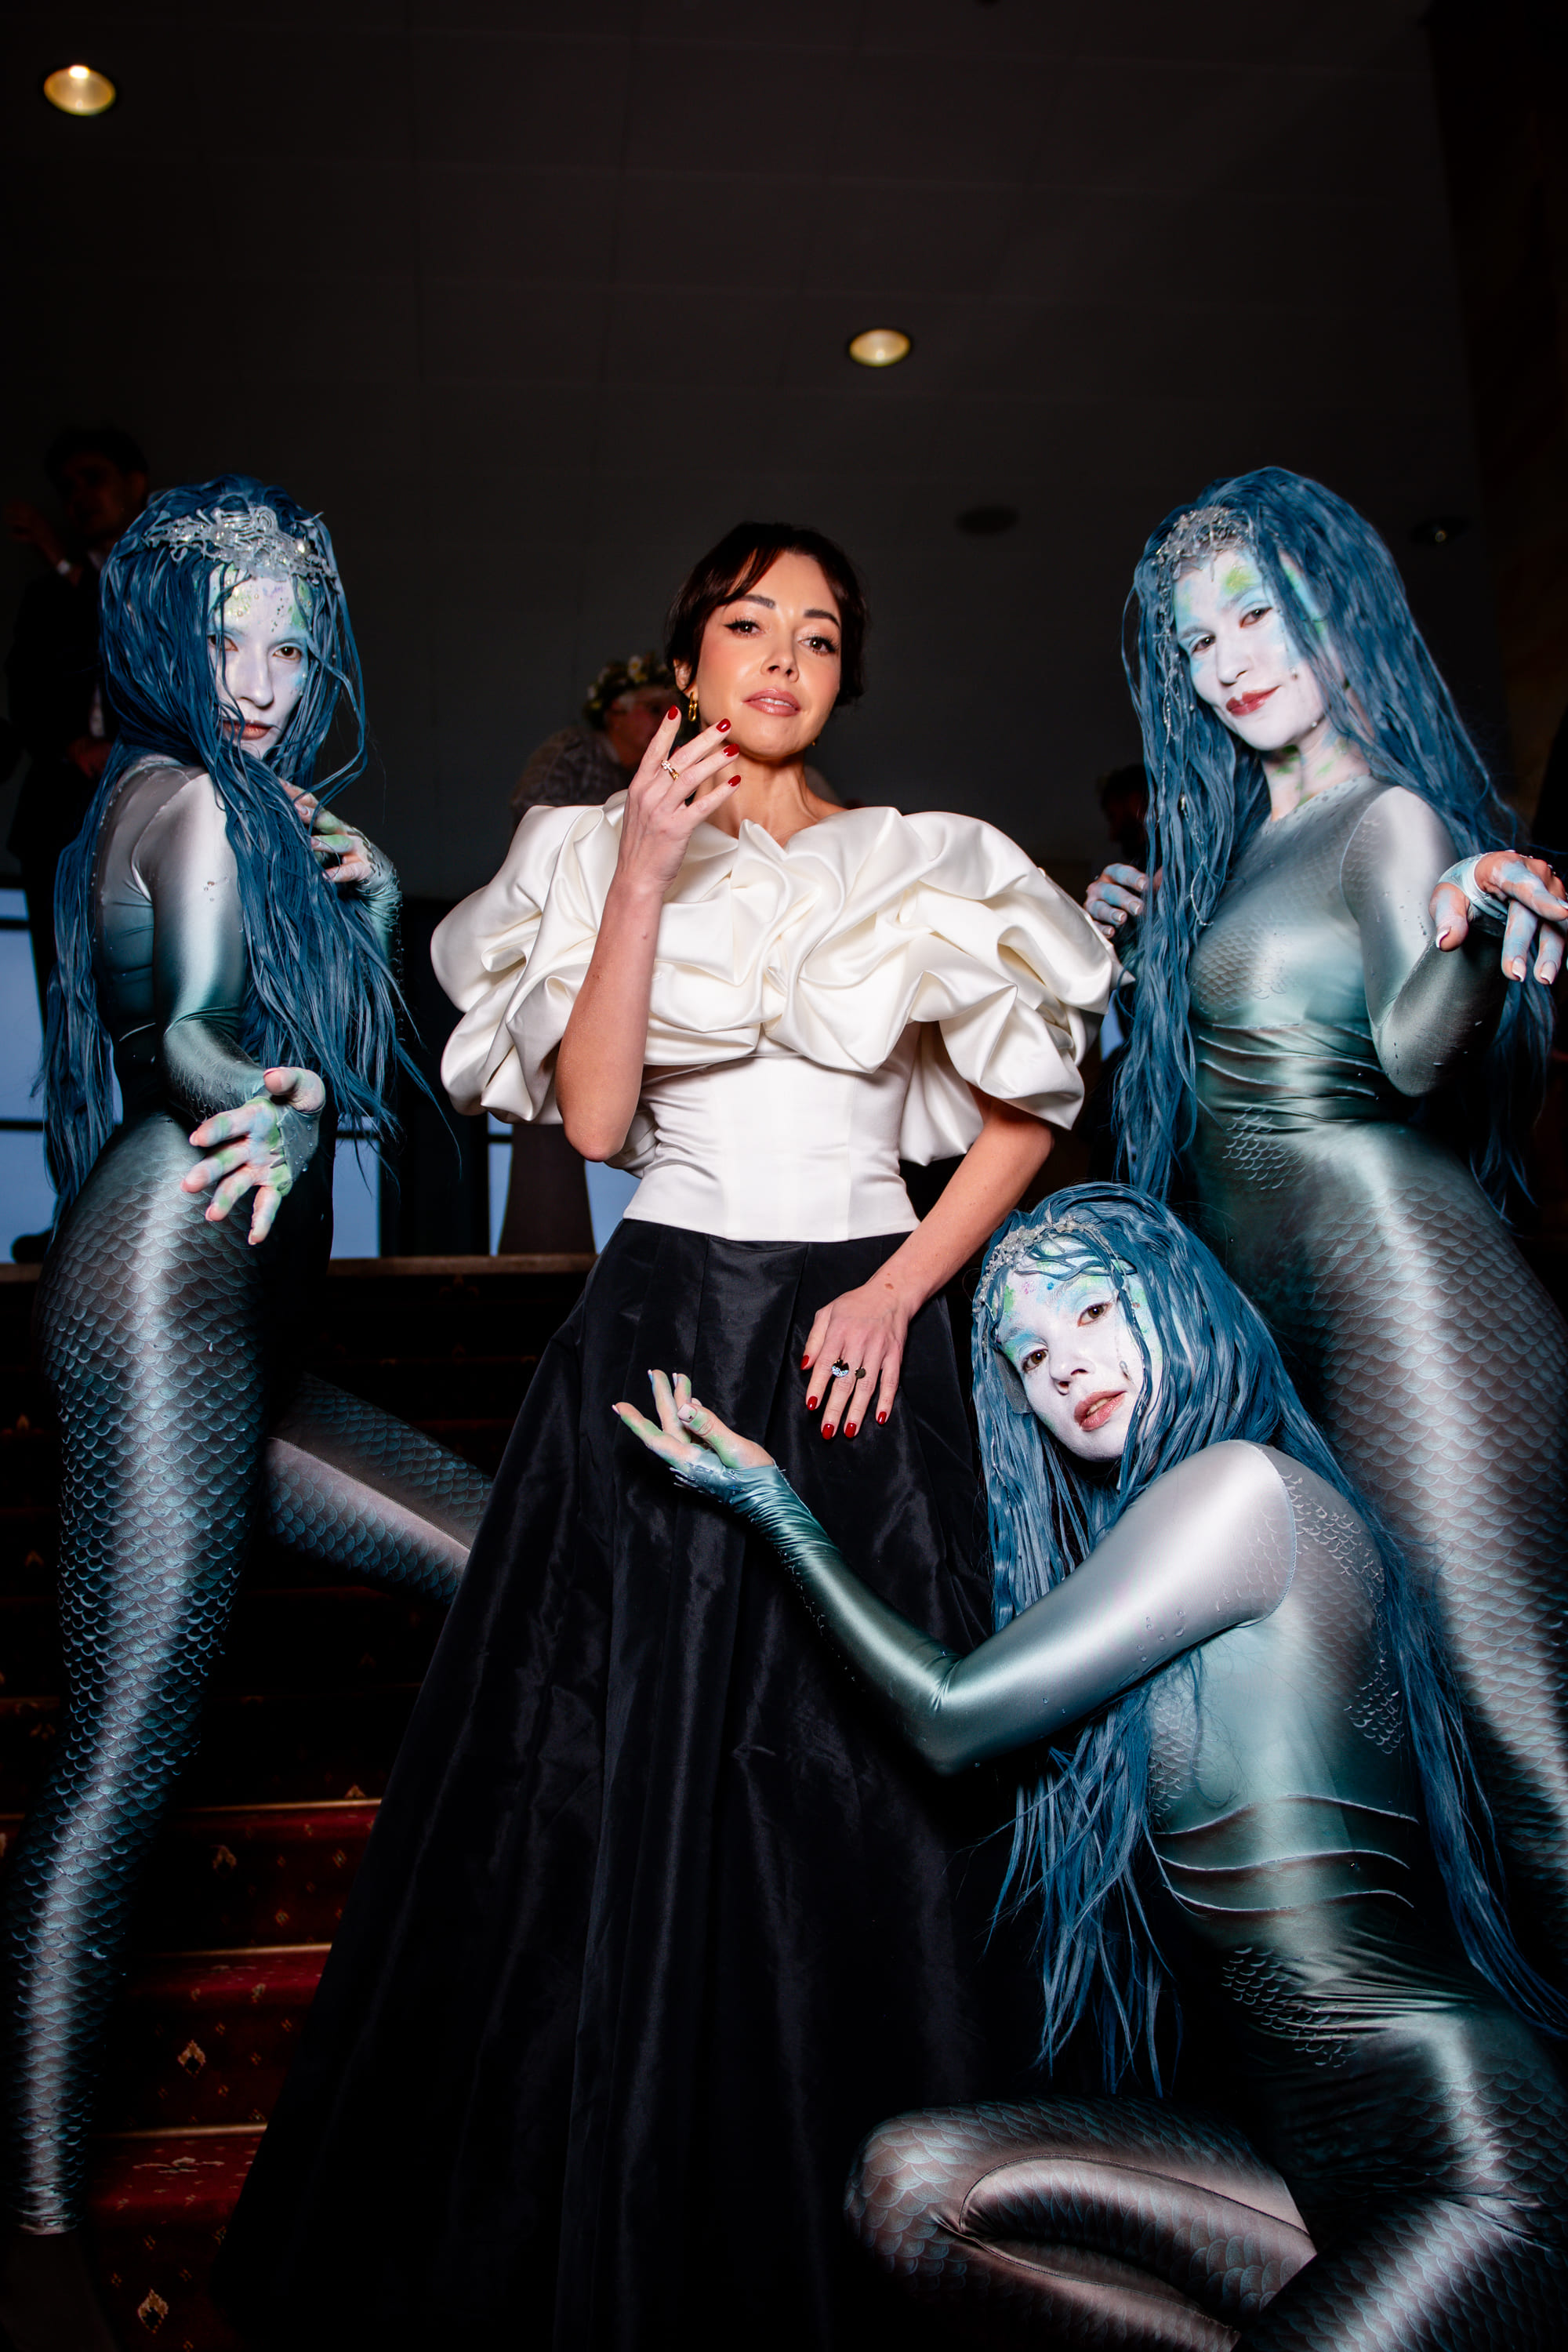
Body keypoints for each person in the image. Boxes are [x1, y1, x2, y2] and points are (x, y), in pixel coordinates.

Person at [215, 519, 1116, 2349]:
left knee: (864, 1776)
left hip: (864, 1333)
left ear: (842, 675)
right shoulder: (582, 851)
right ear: (688, 658)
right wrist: (637, 866)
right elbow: (595, 1115)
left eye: (818, 634)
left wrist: (901, 1289)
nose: (782, 657)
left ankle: (880, 2217)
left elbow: (1027, 1109)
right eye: (748, 623)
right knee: (619, 1767)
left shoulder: (923, 860)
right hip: (669, 1324)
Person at [621, 1185, 1568, 2347]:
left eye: (1091, 1311)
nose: (1064, 1366)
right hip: (1296, 2164)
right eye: (1027, 1357)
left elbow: (951, 1714)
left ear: (1179, 1303)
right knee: (916, 2189)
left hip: (1464, 2169)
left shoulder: (1240, 1490)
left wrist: (777, 1507)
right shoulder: (1154, 1562)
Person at [0, 479, 492, 2352]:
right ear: (161, 641)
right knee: (122, 1758)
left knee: (503, 1560)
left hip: (238, 1320)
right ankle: (35, 2237)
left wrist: (357, 910)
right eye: (232, 642)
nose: (271, 681)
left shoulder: (195, 800)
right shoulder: (197, 801)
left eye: (295, 644)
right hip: (167, 1297)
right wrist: (264, 1107)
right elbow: (188, 1039)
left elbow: (259, 1034)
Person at [1085, 467, 1568, 1981]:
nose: (1229, 660)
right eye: (1197, 641)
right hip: (1288, 1319)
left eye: (1258, 615)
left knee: (1521, 1739)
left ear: (1336, 609)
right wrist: (1138, 964)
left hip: (1409, 1297)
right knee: (1409, 1740)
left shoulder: (1390, 816)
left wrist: (1473, 924)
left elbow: (1414, 1056)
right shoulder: (1238, 851)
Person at [499, 653, 675, 1250]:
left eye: (669, 709)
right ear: (615, 712)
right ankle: (544, 1245)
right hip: (565, 936)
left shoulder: (664, 770)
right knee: (549, 1086)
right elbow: (532, 826)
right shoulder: (574, 752)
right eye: (652, 708)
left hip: (639, 940)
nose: (664, 720)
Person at [5, 426, 151, 1010]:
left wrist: (62, 558)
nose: (79, 497)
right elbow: (23, 696)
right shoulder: (46, 597)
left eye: (94, 479)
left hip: (143, 807)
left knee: (144, 995)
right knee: (59, 990)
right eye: (68, 487)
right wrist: (70, 746)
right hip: (57, 815)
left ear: (135, 485)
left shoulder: (168, 577)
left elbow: (135, 634)